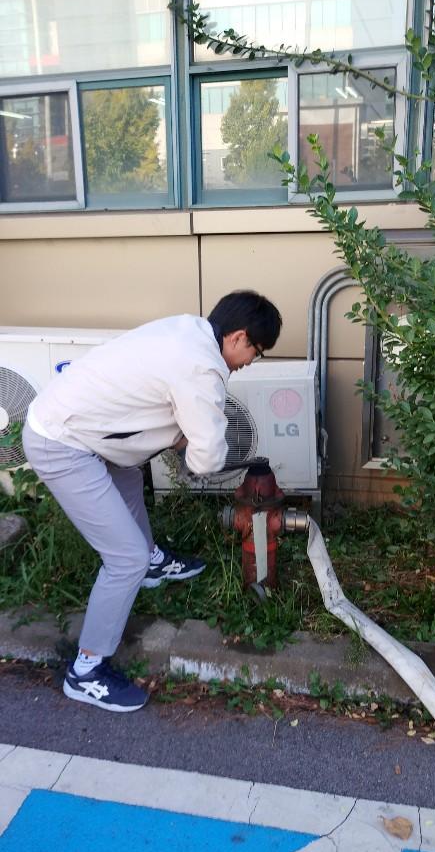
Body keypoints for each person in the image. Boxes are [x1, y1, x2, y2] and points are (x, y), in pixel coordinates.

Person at [22, 290, 282, 713]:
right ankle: (86, 670)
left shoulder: (189, 329)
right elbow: (207, 457)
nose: (252, 361)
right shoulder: (201, 367)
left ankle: (152, 562)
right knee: (124, 558)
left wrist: (180, 434)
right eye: (257, 350)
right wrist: (192, 445)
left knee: (128, 475)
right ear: (238, 337)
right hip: (62, 442)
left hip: (86, 427)